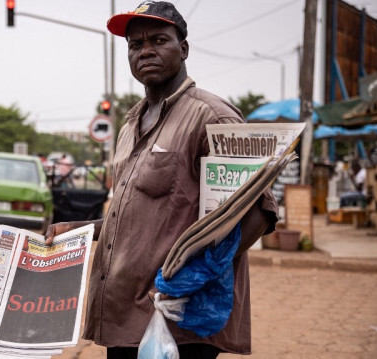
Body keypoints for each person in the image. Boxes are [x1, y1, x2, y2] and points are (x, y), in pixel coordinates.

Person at [44, 2, 278, 358]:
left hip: (179, 322)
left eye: (158, 40)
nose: (146, 50)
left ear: (183, 49)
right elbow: (140, 218)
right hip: (125, 317)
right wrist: (78, 229)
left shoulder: (212, 117)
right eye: (135, 45)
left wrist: (195, 279)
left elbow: (257, 214)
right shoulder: (130, 124)